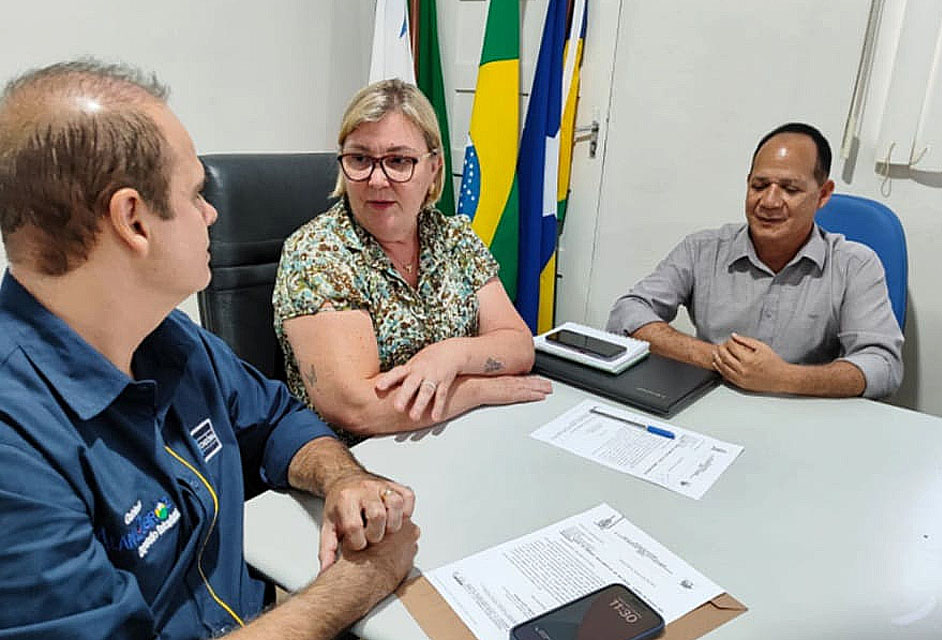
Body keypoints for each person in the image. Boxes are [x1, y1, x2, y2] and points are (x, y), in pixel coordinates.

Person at [0, 59, 419, 640]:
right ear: (133, 221)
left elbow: (277, 420)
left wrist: (343, 479)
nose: (212, 213)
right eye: (195, 194)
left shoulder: (165, 336)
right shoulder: (16, 448)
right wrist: (359, 583)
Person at [273, 79, 551, 444]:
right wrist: (479, 390)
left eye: (399, 161)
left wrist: (450, 355)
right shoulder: (317, 252)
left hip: (456, 438)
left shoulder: (453, 237)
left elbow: (518, 345)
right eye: (360, 159)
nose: (376, 179)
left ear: (433, 167)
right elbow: (357, 408)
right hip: (358, 464)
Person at [606, 123, 903, 399]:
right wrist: (717, 358)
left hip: (803, 413)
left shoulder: (855, 265)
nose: (769, 202)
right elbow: (628, 312)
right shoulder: (702, 249)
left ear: (823, 194)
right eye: (759, 186)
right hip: (710, 403)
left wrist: (785, 378)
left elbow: (883, 365)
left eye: (790, 189)